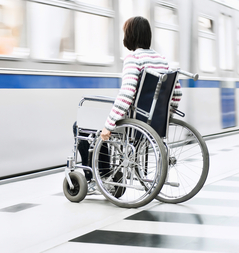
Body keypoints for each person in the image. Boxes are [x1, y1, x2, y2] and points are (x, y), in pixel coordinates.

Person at [73, 16, 182, 194]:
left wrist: (108, 125)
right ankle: (106, 174)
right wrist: (165, 117)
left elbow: (127, 94)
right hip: (153, 124)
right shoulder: (161, 60)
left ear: (129, 35)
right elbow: (177, 93)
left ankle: (101, 177)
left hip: (133, 124)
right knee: (96, 127)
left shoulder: (133, 58)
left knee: (81, 127)